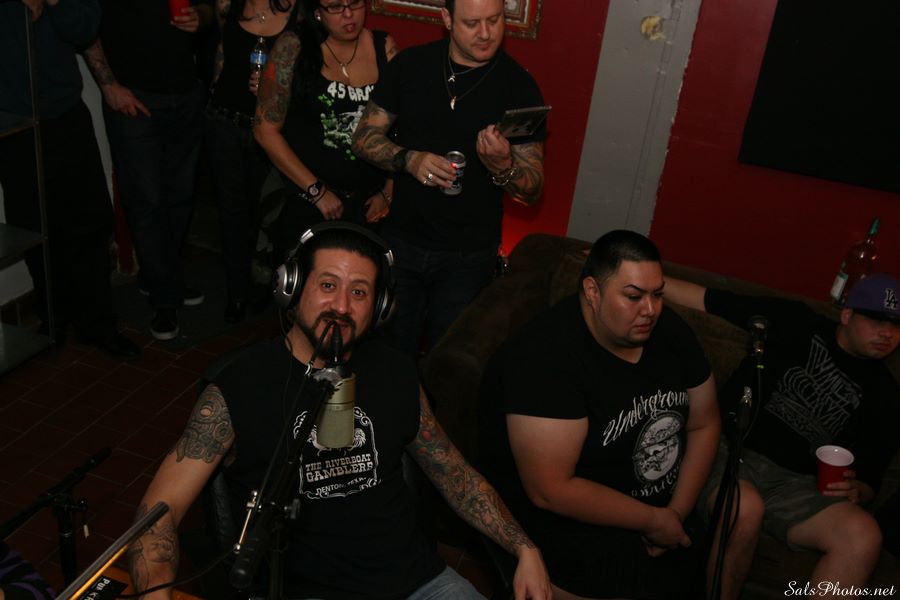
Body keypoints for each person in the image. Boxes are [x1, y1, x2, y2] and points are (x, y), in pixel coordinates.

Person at [126, 222, 552, 600]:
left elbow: (454, 474)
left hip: (419, 583)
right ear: (291, 287)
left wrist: (524, 548)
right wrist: (155, 592)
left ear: (379, 308)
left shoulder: (396, 372)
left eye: (360, 292)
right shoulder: (237, 389)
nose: (343, 306)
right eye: (328, 285)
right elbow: (159, 512)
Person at [479, 230, 720, 600]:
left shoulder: (670, 332)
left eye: (658, 294)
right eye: (634, 296)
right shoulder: (544, 359)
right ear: (592, 291)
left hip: (661, 512)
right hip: (574, 522)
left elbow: (705, 423)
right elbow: (551, 490)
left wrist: (675, 513)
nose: (651, 309)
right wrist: (653, 520)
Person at [663, 272, 900, 599]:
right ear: (847, 315)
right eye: (876, 321)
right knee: (744, 508)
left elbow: (871, 476)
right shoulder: (798, 322)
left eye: (896, 326)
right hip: (733, 450)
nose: (887, 333)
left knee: (863, 537)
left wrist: (857, 488)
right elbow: (708, 299)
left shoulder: (888, 396)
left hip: (798, 483)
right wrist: (638, 279)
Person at [351, 0, 545, 357]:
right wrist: (408, 159)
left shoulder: (519, 86)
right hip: (403, 241)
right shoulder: (411, 65)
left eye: (494, 20)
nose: (486, 33)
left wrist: (503, 166)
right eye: (472, 23)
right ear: (447, 19)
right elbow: (363, 137)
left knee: (446, 361)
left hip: (469, 257)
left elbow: (532, 189)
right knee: (388, 355)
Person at [0, 0, 140, 359]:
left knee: (91, 223)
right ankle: (52, 322)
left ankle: (99, 325)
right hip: (13, 127)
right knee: (33, 228)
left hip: (65, 116)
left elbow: (85, 27)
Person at [83, 0, 214, 341]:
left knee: (180, 197)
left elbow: (209, 8)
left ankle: (159, 277)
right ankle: (165, 297)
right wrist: (108, 85)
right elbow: (85, 25)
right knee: (147, 201)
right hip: (133, 97)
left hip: (185, 92)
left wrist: (200, 17)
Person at [253, 0, 396, 260]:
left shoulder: (384, 46)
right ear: (317, 12)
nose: (348, 14)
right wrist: (316, 192)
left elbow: (404, 125)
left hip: (368, 201)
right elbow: (265, 130)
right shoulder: (293, 46)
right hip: (308, 198)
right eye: (335, 6)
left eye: (355, 3)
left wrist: (388, 191)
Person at [206, 0, 296, 323]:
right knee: (232, 212)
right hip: (225, 123)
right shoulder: (229, 4)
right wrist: (215, 89)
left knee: (269, 212)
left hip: (271, 133)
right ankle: (237, 292)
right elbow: (222, 50)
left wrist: (277, 86)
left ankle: (263, 285)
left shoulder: (298, 12)